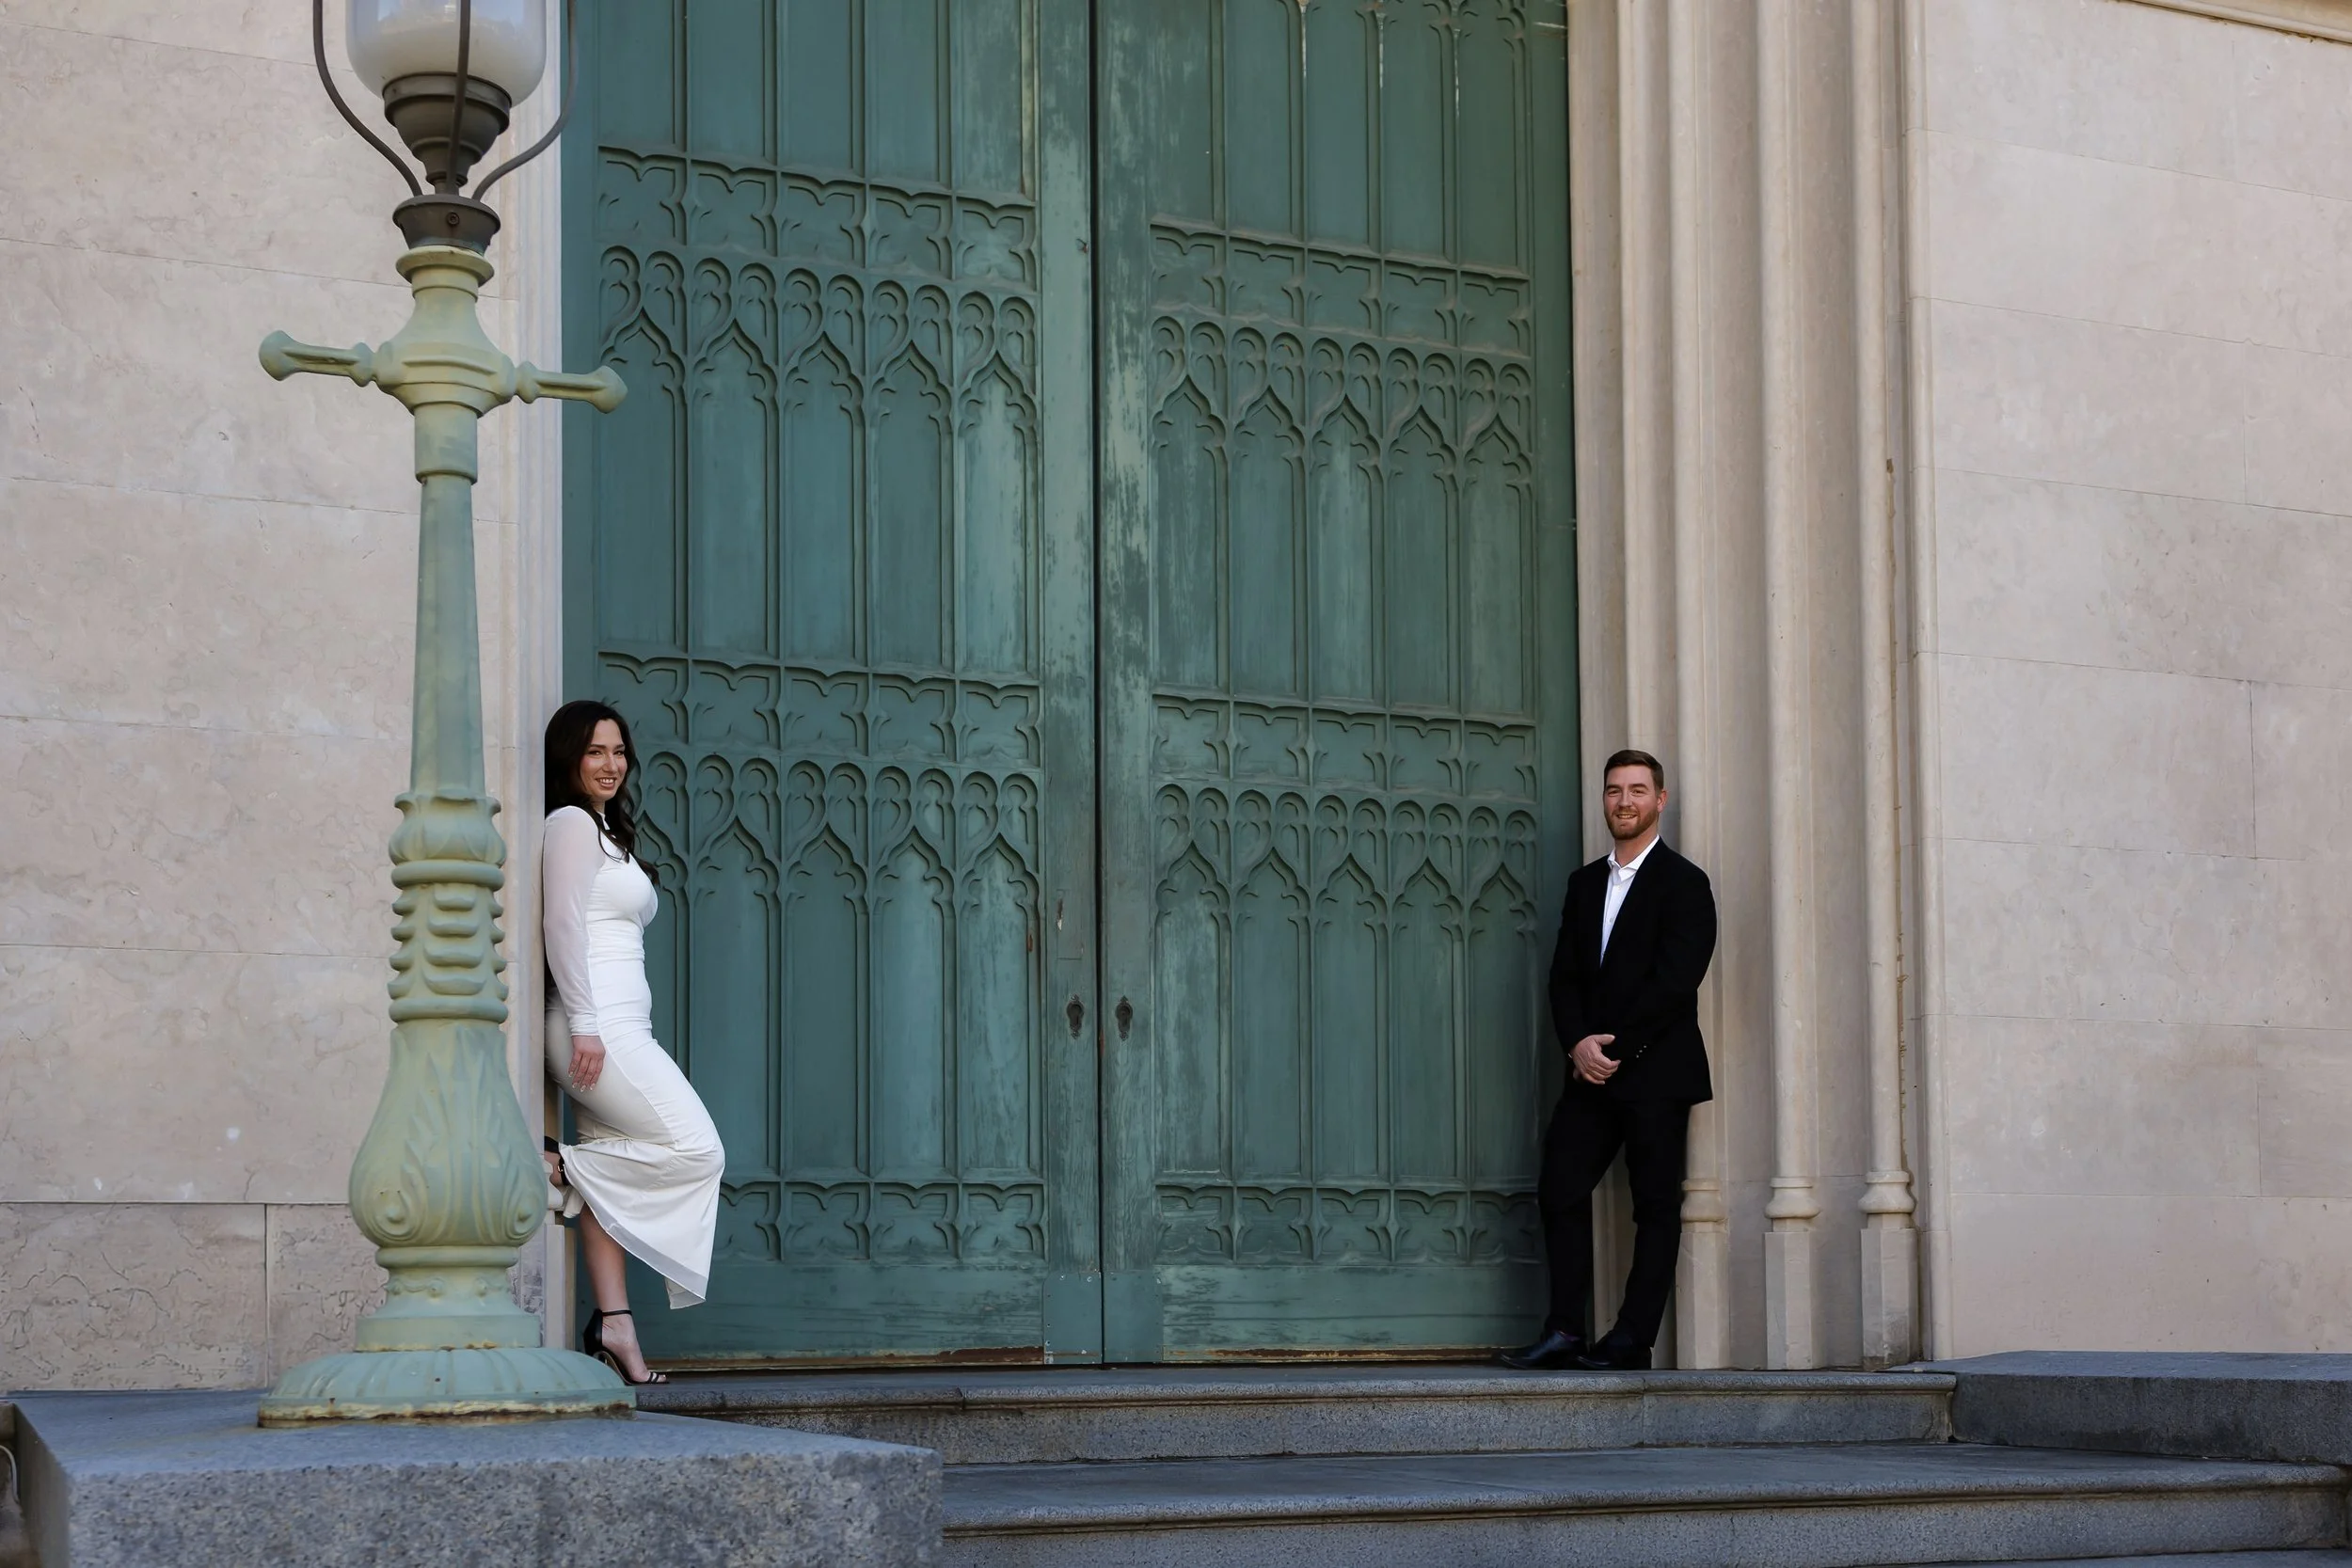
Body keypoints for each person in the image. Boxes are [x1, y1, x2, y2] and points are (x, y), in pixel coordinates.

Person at [1499, 748, 1717, 1371]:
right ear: (1605, 799)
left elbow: (1676, 983)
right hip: (1590, 1072)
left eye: (1638, 790)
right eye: (1615, 790)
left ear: (1660, 800)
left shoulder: (1685, 883)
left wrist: (1613, 1048)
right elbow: (1563, 976)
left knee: (1653, 1205)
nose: (1625, 801)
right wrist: (1577, 1045)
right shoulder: (1583, 883)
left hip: (1656, 1072)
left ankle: (1631, 1339)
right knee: (1560, 1186)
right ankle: (1566, 1330)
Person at [539, 700, 724, 1386]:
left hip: (620, 1026)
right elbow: (561, 922)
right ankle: (552, 1165)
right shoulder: (568, 824)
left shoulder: (608, 830)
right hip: (597, 1029)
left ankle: (615, 1325)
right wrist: (585, 1021)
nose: (611, 764)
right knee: (699, 1148)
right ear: (569, 759)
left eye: (618, 751)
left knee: (614, 1169)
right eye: (594, 752)